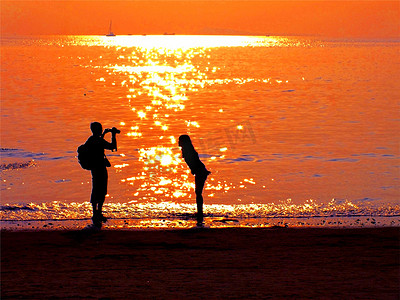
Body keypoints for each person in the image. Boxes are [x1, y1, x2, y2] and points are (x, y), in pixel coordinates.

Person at [86, 122, 119, 226]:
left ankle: (96, 213)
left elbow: (98, 144)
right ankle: (98, 213)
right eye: (100, 128)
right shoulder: (98, 140)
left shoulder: (91, 139)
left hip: (94, 168)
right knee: (101, 190)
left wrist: (104, 134)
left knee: (96, 188)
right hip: (100, 168)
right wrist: (113, 135)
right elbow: (112, 146)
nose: (101, 129)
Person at [179, 135, 211, 227]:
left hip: (200, 172)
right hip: (199, 171)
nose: (179, 142)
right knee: (197, 192)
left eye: (180, 141)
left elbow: (195, 162)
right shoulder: (186, 150)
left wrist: (195, 170)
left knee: (198, 192)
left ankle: (200, 213)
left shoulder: (189, 151)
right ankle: (199, 212)